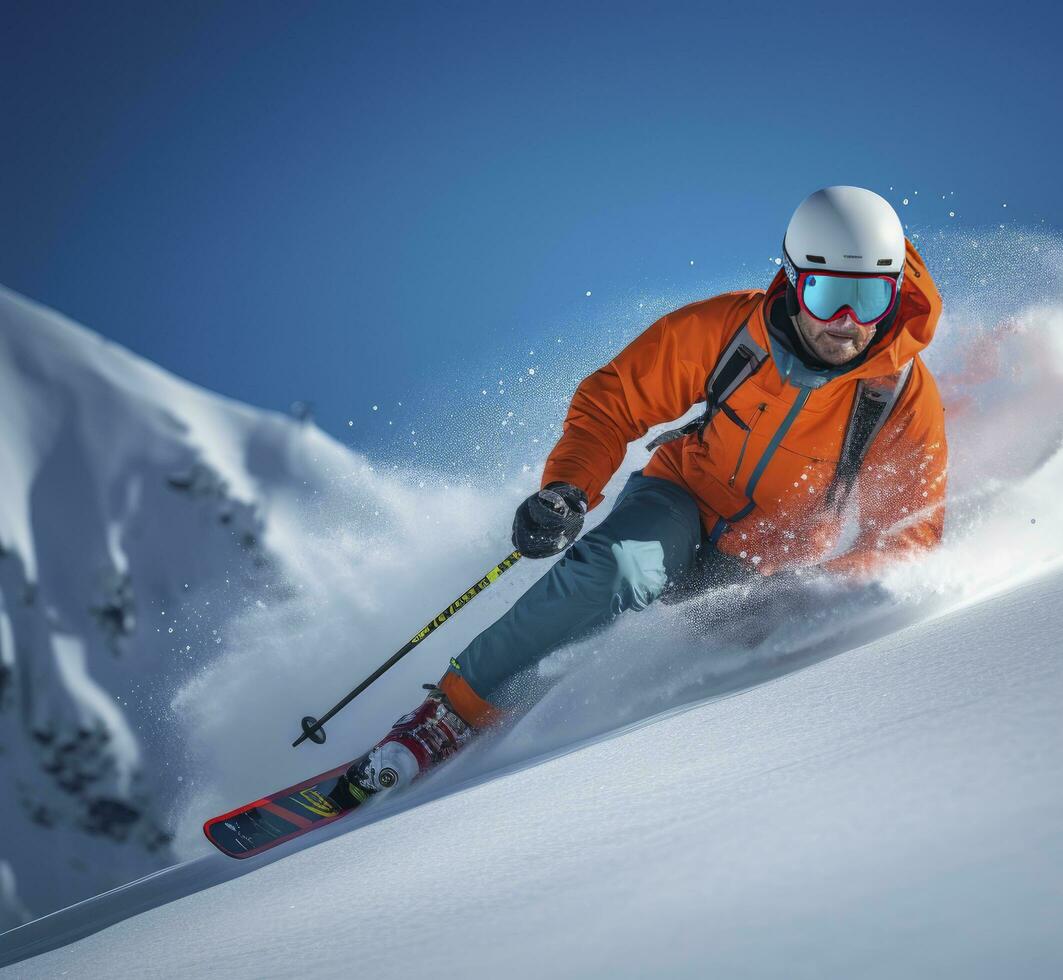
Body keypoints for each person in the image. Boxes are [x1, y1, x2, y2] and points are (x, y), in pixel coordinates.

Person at [340, 186, 949, 798]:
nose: (848, 323)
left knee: (727, 656)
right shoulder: (729, 334)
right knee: (619, 569)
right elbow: (612, 403)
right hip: (680, 499)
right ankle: (450, 715)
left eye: (869, 297)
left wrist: (818, 588)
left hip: (768, 567)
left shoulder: (896, 396)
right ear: (793, 283)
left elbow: (908, 536)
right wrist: (567, 489)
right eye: (828, 294)